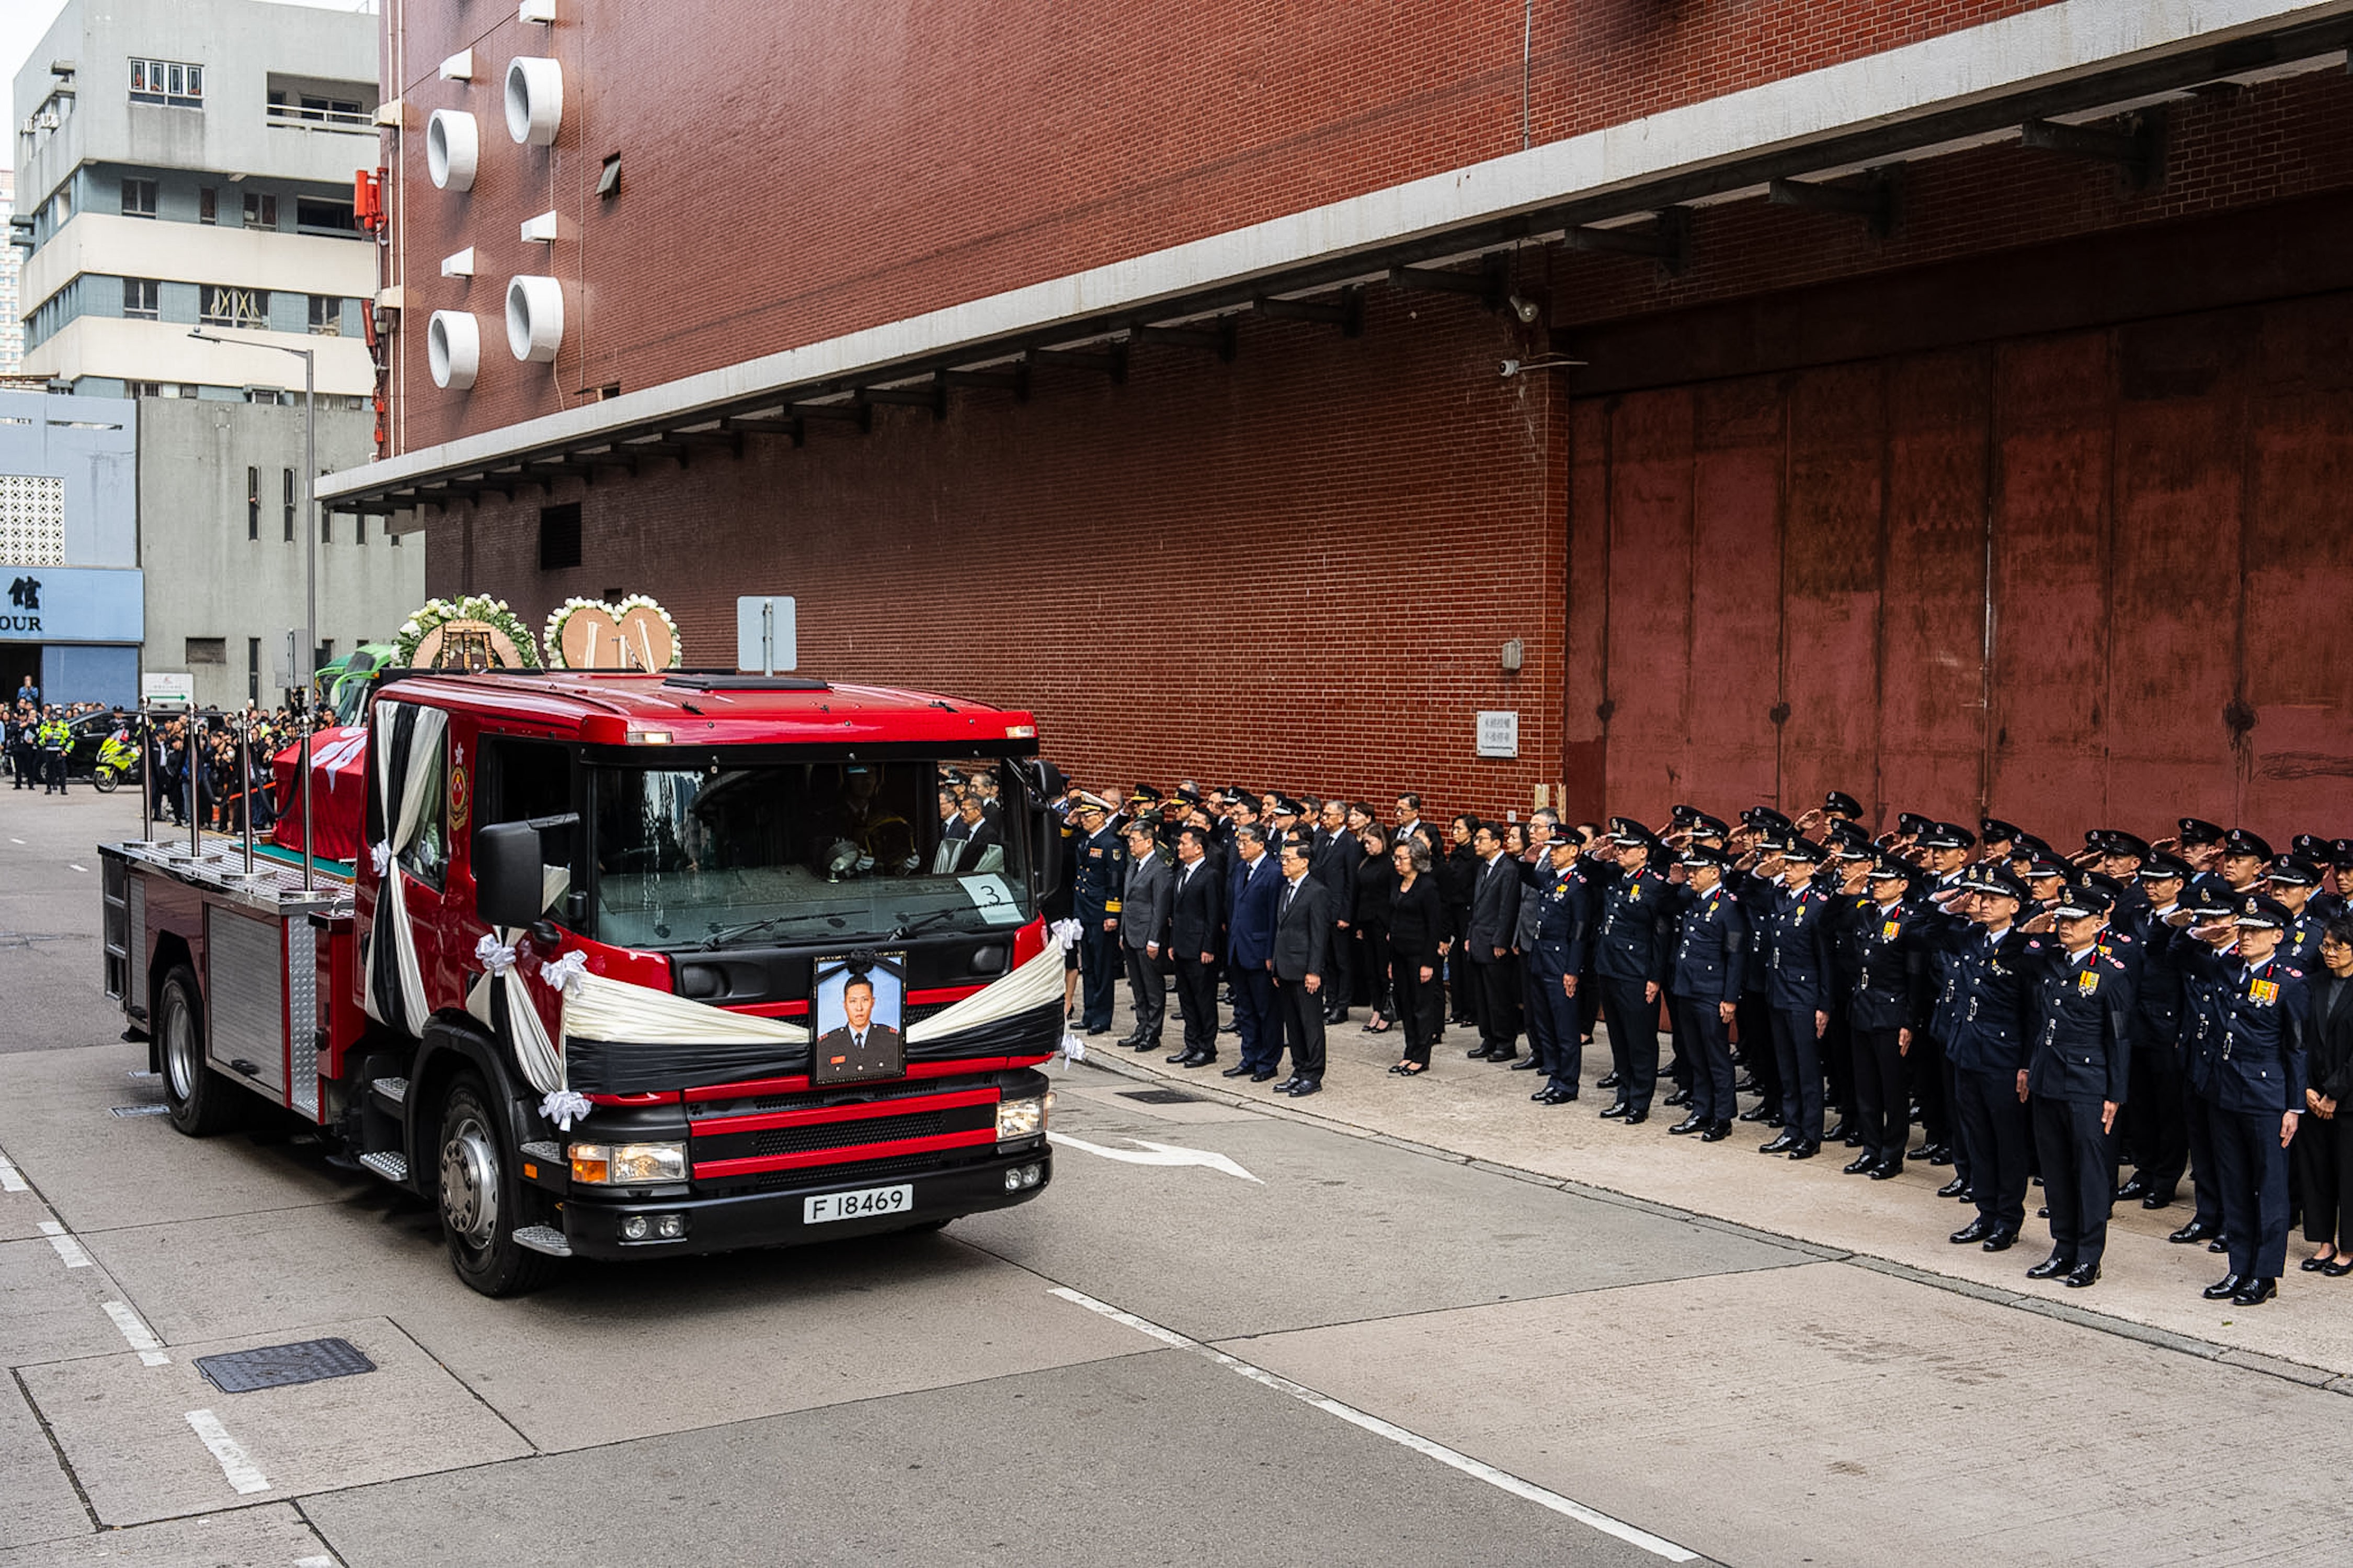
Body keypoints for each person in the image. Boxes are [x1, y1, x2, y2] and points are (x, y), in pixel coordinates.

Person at [2182, 893, 2310, 1306]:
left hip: (2265, 1095)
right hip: (2224, 1090)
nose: (2247, 937)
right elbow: (2177, 954)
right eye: (2244, 929)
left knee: (2269, 1186)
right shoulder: (2227, 967)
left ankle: (2265, 1274)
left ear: (2277, 935)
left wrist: (2294, 1106)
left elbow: (2298, 1048)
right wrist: (2201, 932)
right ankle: (2239, 1267)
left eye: (2256, 931)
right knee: (2233, 1182)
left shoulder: (2290, 980)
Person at [2021, 883, 2133, 1289]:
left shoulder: (2111, 973)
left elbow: (2119, 1038)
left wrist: (2115, 1094)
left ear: (2099, 923)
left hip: (2088, 1082)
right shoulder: (2051, 960)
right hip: (2049, 1077)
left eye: (2075, 920)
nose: (2065, 926)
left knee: (2088, 1171)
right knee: (2054, 1169)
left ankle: (2089, 1255)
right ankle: (2063, 1247)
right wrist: (2037, 923)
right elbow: (2019, 950)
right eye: (2062, 919)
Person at [1942, 865, 2037, 1251]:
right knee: (1976, 1137)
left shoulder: (2025, 948)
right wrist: (1951, 907)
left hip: (2004, 1057)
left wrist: (2026, 1064)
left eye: (1992, 898)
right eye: (1980, 897)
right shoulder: (1970, 936)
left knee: (2007, 1142)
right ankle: (1985, 1212)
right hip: (1967, 1050)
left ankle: (2008, 1219)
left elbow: (2033, 1012)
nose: (1982, 903)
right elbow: (1924, 933)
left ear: (2014, 906)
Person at [1840, 857, 1933, 1179]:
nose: (1876, 883)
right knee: (1865, 1086)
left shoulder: (1911, 920)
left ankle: (1892, 1154)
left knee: (1892, 1089)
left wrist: (1909, 1021)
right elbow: (1830, 925)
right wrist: (1845, 896)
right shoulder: (1864, 911)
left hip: (1892, 1013)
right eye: (1875, 879)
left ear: (1903, 886)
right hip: (1863, 1008)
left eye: (1884, 880)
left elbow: (1915, 977)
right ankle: (1871, 1148)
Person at [1575, 819, 1673, 1124]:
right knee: (1618, 1038)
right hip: (1610, 967)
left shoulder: (1655, 884)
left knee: (1640, 1040)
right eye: (1618, 847)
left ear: (1643, 852)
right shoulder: (1615, 876)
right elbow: (1587, 873)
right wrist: (1597, 855)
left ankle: (1640, 1102)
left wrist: (1655, 977)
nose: (1619, 852)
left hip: (1637, 972)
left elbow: (1662, 934)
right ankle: (1624, 1095)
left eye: (1626, 848)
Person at [1759, 837, 1835, 1159]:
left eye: (1793, 865)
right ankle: (1791, 1128)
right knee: (1786, 1067)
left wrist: (1824, 1004)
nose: (1786, 870)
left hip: (1804, 995)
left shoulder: (1818, 903)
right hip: (1778, 990)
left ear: (1810, 868)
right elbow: (1751, 890)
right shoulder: (1779, 897)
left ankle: (1810, 1134)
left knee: (1807, 1070)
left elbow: (1825, 960)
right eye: (1785, 864)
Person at [1664, 842, 1746, 1137]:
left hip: (1712, 992)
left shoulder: (1728, 906)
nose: (1691, 875)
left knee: (1716, 1056)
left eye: (1697, 871)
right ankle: (1702, 1110)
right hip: (1688, 988)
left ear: (1714, 873)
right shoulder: (1695, 900)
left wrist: (1729, 998)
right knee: (1695, 1054)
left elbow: (1735, 954)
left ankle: (1722, 1117)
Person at [2295, 917, 2353, 1276]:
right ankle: (2323, 1242)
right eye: (2326, 947)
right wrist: (2308, 1088)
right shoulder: (2312, 985)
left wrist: (2333, 1092)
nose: (2330, 953)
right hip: (2312, 1095)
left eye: (2338, 947)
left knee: (2347, 1173)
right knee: (2315, 1171)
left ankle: (2348, 1247)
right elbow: (2298, 1039)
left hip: (2346, 1100)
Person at [1525, 831, 1587, 1105]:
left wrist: (1572, 969)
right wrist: (1527, 862)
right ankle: (1553, 1076)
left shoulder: (1579, 885)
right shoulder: (1552, 878)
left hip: (1561, 962)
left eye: (1559, 849)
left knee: (1565, 1028)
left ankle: (1568, 1083)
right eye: (1551, 848)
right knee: (1545, 1024)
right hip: (1541, 958)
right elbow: (1528, 877)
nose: (1553, 853)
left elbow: (1580, 931)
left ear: (1574, 851)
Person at [1221, 825, 1284, 1083]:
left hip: (1259, 951)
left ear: (1260, 844)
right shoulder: (1239, 869)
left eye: (1245, 842)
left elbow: (1274, 918)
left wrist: (1271, 953)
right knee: (1245, 1009)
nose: (1240, 847)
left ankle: (1268, 1062)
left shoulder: (1273, 873)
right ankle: (1250, 1057)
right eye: (1239, 842)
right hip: (1239, 948)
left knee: (1266, 1011)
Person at [1270, 838, 1331, 1097]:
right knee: (1293, 1024)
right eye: (1283, 859)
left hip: (1305, 968)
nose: (1284, 864)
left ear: (1304, 862)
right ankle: (1299, 1067)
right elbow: (1281, 929)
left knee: (1310, 1023)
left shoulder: (1317, 892)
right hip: (1286, 967)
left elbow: (1319, 935)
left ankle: (1313, 1074)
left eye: (1289, 859)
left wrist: (1314, 970)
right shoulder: (1286, 889)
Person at [1165, 823, 1225, 1068]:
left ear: (1199, 848)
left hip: (1200, 947)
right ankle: (1191, 1044)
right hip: (1182, 945)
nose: (1179, 848)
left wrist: (1209, 947)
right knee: (1187, 999)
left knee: (1204, 999)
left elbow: (1213, 915)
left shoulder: (1210, 875)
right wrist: (1172, 942)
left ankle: (1206, 1047)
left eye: (1184, 844)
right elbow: (1176, 913)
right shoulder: (1182, 872)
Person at [1463, 821, 1523, 1063]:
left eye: (1481, 839)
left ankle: (1505, 1042)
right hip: (1478, 938)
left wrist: (1501, 940)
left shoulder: (1508, 870)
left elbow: (1507, 909)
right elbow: (1478, 907)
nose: (1476, 843)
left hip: (1494, 942)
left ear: (1496, 843)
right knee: (1483, 995)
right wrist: (1469, 935)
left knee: (1498, 996)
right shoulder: (1483, 868)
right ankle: (1488, 1038)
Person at [1386, 835, 1446, 1076]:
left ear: (1417, 860)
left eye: (1402, 858)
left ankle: (1421, 1056)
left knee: (1422, 1006)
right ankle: (1409, 1051)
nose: (1397, 863)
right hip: (1399, 953)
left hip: (1419, 955)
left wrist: (1428, 963)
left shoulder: (1427, 886)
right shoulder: (1397, 883)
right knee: (1406, 1004)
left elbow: (1434, 927)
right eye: (1396, 858)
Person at [1069, 793, 1127, 1035]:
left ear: (1102, 816)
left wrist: (1112, 914)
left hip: (1100, 911)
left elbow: (1115, 883)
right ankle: (1089, 1013)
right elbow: (1064, 840)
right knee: (1089, 965)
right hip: (1084, 909)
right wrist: (1069, 821)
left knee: (1103, 968)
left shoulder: (1111, 844)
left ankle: (1102, 1018)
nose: (1083, 820)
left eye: (1088, 816)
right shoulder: (1084, 840)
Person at [1116, 820, 1172, 1053]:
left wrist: (1154, 939)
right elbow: (1126, 902)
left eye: (1134, 840)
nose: (1130, 844)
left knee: (1152, 988)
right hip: (1130, 933)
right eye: (1129, 840)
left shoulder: (1160, 870)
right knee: (1138, 987)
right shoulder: (1133, 866)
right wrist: (1122, 932)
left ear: (1149, 842)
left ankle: (1153, 1032)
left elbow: (1160, 907)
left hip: (1146, 934)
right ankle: (1141, 1027)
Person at [813, 973, 904, 1079]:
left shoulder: (892, 1040)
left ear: (873, 1002)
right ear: (845, 1005)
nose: (859, 1008)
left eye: (865, 1000)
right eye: (853, 1001)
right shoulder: (826, 1045)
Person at [1352, 822, 1395, 1032]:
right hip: (1366, 921)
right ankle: (1376, 1008)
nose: (1367, 846)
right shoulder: (1366, 863)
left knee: (1382, 970)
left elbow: (1392, 896)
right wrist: (1359, 924)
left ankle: (1387, 1011)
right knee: (1370, 969)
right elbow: (1361, 893)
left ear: (1382, 840)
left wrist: (1390, 927)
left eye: (1371, 842)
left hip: (1382, 922)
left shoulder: (1390, 864)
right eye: (1365, 843)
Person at [1441, 815, 1480, 1027]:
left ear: (1471, 832)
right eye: (1453, 829)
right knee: (1455, 961)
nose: (1454, 833)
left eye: (1459, 829)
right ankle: (1458, 1008)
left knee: (1467, 963)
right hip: (1453, 911)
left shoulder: (1474, 857)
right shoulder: (1455, 855)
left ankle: (1471, 1011)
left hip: (1467, 911)